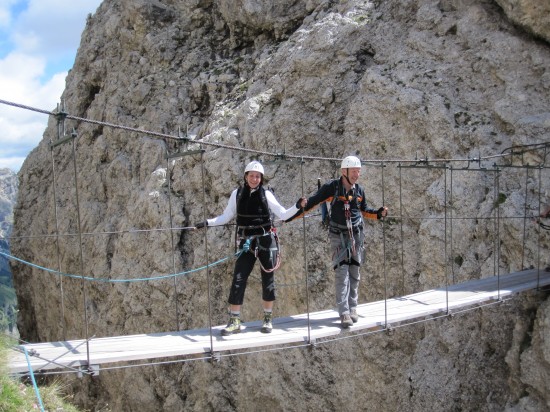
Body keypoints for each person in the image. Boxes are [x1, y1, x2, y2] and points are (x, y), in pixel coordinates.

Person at [195, 160, 304, 335]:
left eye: (258, 176)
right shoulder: (236, 194)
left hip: (266, 241)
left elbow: (283, 214)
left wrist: (297, 207)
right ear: (245, 177)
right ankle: (234, 320)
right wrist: (206, 223)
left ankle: (267, 319)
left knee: (268, 280)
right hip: (246, 241)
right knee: (238, 279)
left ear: (261, 178)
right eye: (252, 176)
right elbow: (226, 216)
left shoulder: (266, 195)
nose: (255, 179)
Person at [288, 155, 388, 328]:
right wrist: (288, 217)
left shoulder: (359, 191)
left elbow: (364, 211)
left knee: (355, 272)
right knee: (342, 273)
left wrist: (378, 213)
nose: (357, 174)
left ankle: (353, 307)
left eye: (359, 171)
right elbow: (312, 203)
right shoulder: (331, 188)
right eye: (354, 171)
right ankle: (344, 312)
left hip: (356, 234)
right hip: (338, 236)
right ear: (344, 171)